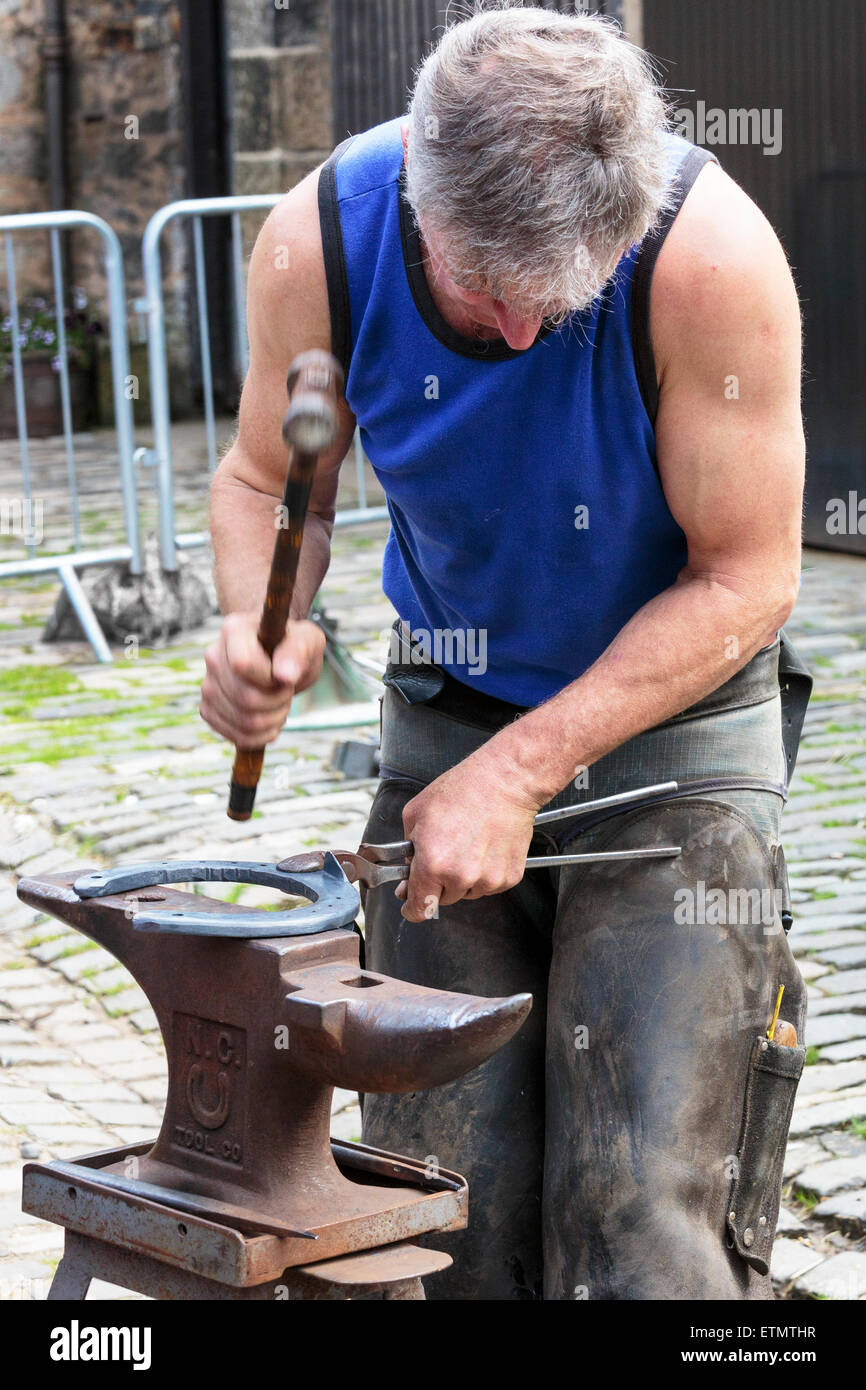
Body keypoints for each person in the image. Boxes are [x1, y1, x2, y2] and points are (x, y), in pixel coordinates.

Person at [202, 6, 809, 1300]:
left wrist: (525, 770)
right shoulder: (321, 241)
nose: (527, 337)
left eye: (564, 301)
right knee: (437, 1211)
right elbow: (269, 485)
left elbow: (747, 577)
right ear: (420, 202)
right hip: (449, 715)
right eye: (493, 297)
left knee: (640, 1219)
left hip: (674, 752)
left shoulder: (709, 263)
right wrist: (256, 622)